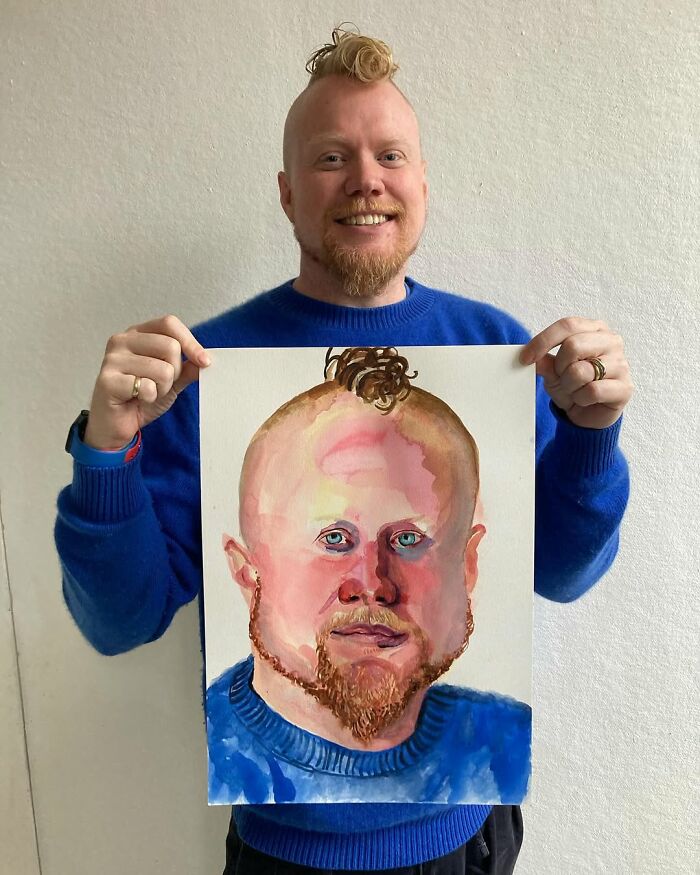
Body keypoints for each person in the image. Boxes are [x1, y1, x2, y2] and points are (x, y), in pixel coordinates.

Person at [56, 26, 632, 875]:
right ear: (288, 194)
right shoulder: (205, 373)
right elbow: (118, 618)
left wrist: (591, 437)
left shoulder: (497, 349)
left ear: (423, 185)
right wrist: (107, 454)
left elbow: (563, 572)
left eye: (389, 155)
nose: (366, 178)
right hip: (282, 855)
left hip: (467, 842)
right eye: (333, 157)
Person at [208, 345, 531, 806]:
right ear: (247, 573)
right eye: (335, 540)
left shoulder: (511, 748)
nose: (375, 584)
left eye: (407, 541)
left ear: (467, 565)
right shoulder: (212, 758)